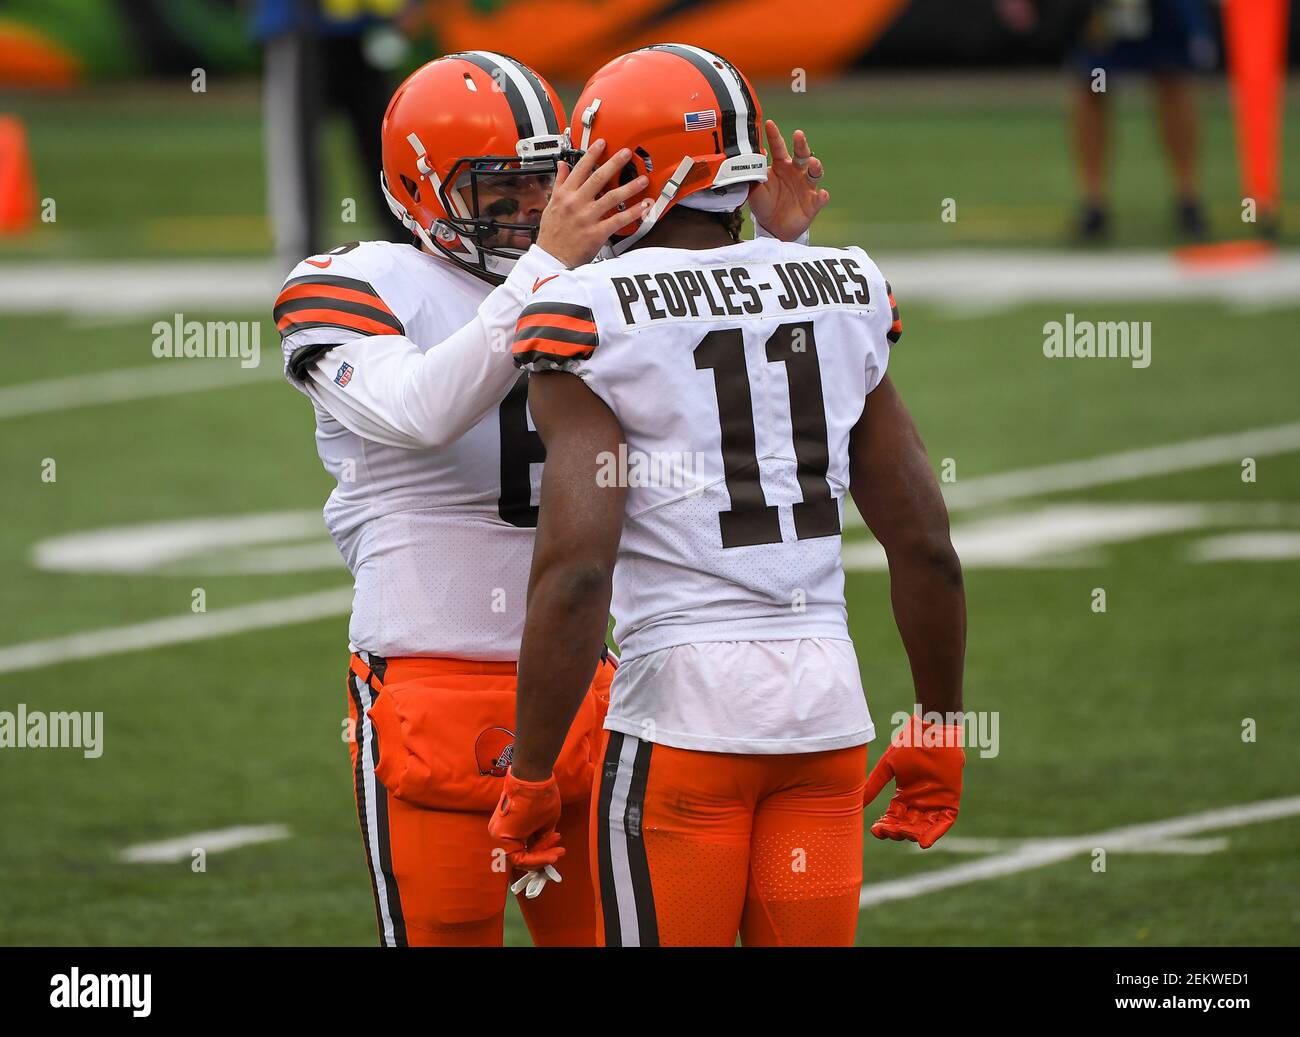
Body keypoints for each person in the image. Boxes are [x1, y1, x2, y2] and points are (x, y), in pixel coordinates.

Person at [273, 50, 823, 946]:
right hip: (431, 682)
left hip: (591, 679)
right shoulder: (357, 282)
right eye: (500, 192)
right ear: (418, 189)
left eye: (545, 181)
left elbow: (724, 361)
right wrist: (545, 265)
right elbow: (421, 410)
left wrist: (770, 248)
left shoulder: (591, 271)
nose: (533, 210)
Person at [489, 43, 967, 947]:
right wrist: (940, 722)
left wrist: (535, 773)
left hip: (682, 715)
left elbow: (578, 574)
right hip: (825, 715)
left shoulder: (585, 308)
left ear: (626, 170)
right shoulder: (843, 283)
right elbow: (927, 545)